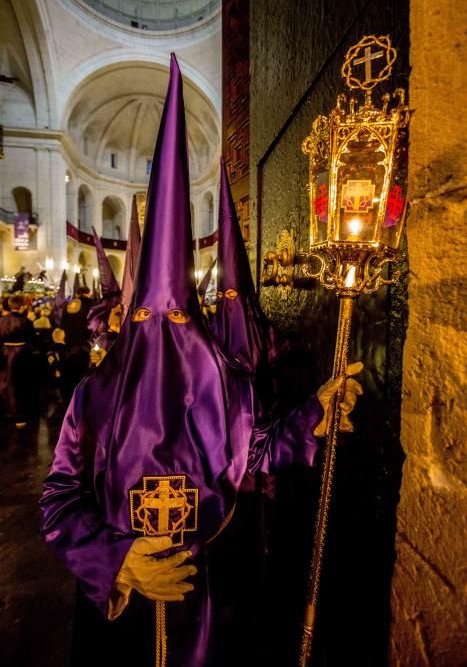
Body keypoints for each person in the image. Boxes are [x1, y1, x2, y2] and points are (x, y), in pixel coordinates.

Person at [40, 56, 363, 667]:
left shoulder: (227, 386)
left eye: (178, 316)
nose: (164, 331)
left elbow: (259, 449)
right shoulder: (94, 396)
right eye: (146, 317)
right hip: (121, 604)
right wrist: (117, 561)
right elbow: (58, 501)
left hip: (205, 604)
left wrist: (315, 414)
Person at [0, 294, 37, 427]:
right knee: (20, 385)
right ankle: (19, 416)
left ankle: (6, 413)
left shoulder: (2, 320)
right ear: (22, 306)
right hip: (21, 355)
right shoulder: (26, 321)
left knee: (5, 384)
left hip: (5, 354)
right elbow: (32, 338)